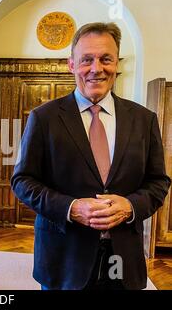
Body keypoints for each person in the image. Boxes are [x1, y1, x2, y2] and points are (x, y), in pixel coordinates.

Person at [11, 22, 171, 290]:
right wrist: (71, 208)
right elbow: (23, 181)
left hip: (123, 259)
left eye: (106, 59)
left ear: (117, 63)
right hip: (63, 258)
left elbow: (158, 182)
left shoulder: (144, 119)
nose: (96, 68)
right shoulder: (44, 118)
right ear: (71, 64)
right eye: (87, 59)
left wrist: (131, 207)